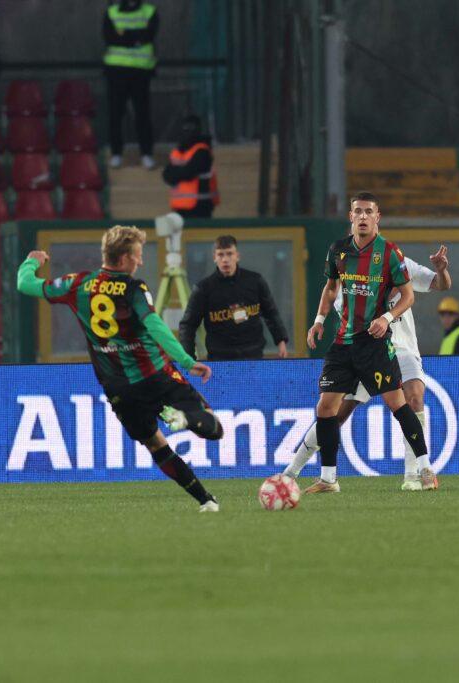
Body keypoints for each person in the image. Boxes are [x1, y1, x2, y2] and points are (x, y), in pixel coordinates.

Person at [16, 225, 222, 511]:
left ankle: (206, 501)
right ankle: (182, 419)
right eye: (138, 255)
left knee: (155, 444)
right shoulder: (133, 288)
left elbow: (25, 284)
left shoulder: (77, 284)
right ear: (124, 258)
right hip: (156, 375)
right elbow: (155, 325)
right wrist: (187, 361)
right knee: (213, 429)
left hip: (118, 388)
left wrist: (32, 261)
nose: (141, 261)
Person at [284, 243, 451, 491]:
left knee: (413, 397)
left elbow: (439, 284)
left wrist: (441, 270)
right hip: (362, 350)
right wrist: (319, 320)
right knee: (335, 415)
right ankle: (291, 473)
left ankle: (414, 474)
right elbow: (330, 291)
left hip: (401, 349)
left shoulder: (395, 261)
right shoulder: (344, 279)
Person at [304, 191, 429, 494]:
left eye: (367, 211)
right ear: (350, 216)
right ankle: (322, 477)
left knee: (404, 403)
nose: (362, 216)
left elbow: (413, 294)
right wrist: (319, 320)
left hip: (382, 344)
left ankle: (422, 470)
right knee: (328, 408)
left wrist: (386, 317)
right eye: (357, 211)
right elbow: (330, 287)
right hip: (346, 344)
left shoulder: (391, 254)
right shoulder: (338, 251)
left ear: (377, 217)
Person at [178, 235, 289, 360]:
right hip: (219, 359)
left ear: (237, 256)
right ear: (214, 257)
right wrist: (189, 358)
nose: (225, 259)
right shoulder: (204, 289)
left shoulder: (255, 281)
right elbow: (188, 325)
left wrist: (281, 341)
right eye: (220, 255)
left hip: (253, 356)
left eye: (230, 254)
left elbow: (271, 313)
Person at [103, 0, 158, 170]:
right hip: (117, 71)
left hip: (141, 71)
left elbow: (149, 35)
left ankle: (147, 154)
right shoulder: (112, 12)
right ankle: (116, 153)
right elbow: (110, 38)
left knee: (142, 113)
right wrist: (135, 38)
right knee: (116, 113)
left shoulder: (150, 11)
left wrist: (124, 35)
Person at [162, 115, 219, 218]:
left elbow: (189, 172)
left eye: (191, 128)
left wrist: (176, 172)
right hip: (180, 207)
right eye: (185, 128)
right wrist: (178, 172)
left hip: (200, 206)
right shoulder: (179, 151)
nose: (188, 132)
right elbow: (166, 175)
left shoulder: (202, 151)